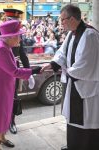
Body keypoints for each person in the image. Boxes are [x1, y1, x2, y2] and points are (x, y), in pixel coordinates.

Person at [41, 4, 99, 150]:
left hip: (85, 87)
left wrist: (66, 70)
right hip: (74, 83)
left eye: (63, 20)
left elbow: (86, 64)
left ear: (72, 19)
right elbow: (62, 52)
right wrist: (53, 64)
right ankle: (74, 145)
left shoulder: (90, 35)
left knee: (86, 121)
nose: (61, 23)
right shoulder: (71, 34)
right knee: (73, 120)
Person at [0, 20, 41, 150]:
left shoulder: (5, 46)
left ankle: (2, 138)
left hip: (4, 86)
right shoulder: (1, 49)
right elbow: (14, 71)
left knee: (4, 114)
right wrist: (33, 71)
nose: (20, 38)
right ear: (10, 37)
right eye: (18, 35)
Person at [0, 8, 34, 136]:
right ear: (6, 20)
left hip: (15, 68)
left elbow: (23, 54)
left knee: (13, 98)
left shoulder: (17, 34)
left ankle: (11, 121)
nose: (16, 24)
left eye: (17, 21)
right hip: (3, 72)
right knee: (1, 104)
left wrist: (28, 72)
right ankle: (1, 129)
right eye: (12, 21)